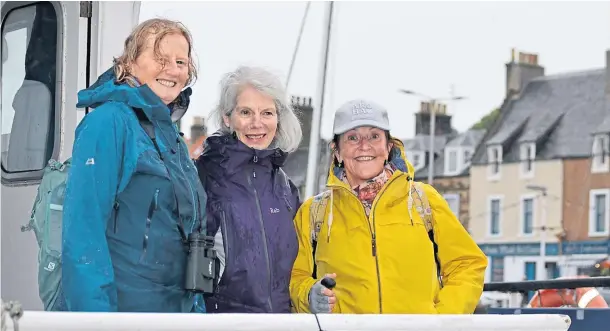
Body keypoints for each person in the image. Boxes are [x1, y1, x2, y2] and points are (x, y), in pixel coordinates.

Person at [62, 18, 207, 312]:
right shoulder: (109, 122)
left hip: (173, 314)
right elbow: (83, 231)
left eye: (180, 61)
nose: (172, 69)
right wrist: (97, 321)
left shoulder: (172, 138)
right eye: (160, 58)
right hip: (126, 314)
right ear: (129, 63)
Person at [289, 99, 488, 314]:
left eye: (374, 136)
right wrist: (309, 294)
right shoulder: (313, 212)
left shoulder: (424, 200)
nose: (364, 145)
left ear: (388, 147)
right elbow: (294, 278)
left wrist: (441, 319)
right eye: (352, 138)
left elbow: (467, 264)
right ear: (336, 150)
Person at [195, 66, 303, 313]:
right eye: (246, 112)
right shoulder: (204, 178)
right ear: (227, 117)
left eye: (267, 113)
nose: (257, 123)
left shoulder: (286, 187)